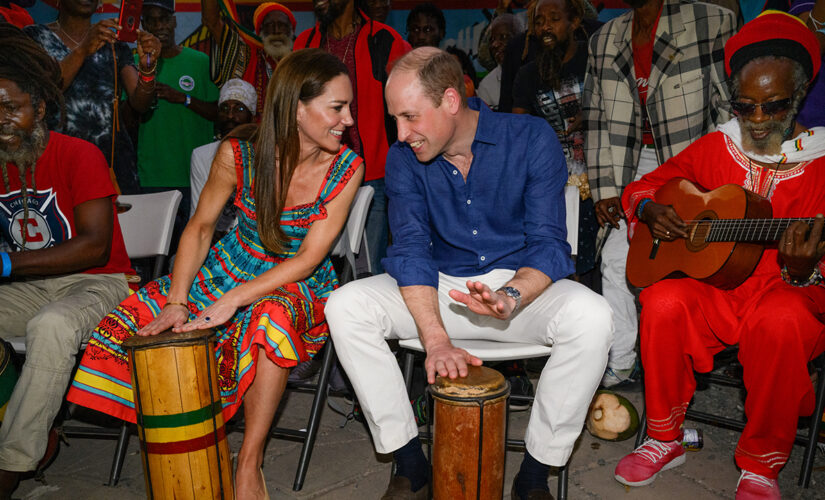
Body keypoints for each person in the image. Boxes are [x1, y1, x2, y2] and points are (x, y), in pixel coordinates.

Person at [65, 48, 364, 500]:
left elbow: (306, 259)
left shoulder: (346, 167)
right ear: (296, 108)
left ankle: (249, 462)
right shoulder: (237, 154)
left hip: (297, 282)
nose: (348, 120)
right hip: (229, 264)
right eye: (337, 107)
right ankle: (193, 444)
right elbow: (201, 227)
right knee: (136, 316)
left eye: (349, 108)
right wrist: (177, 301)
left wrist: (236, 298)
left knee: (270, 318)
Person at [325, 47, 612, 500]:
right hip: (438, 290)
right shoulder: (405, 158)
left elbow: (550, 245)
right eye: (394, 119)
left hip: (521, 294)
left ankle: (535, 476)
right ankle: (410, 465)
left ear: (451, 102)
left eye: (410, 117)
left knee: (594, 316)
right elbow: (412, 249)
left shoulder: (530, 138)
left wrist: (511, 297)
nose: (401, 134)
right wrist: (436, 339)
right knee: (346, 305)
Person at [613, 12, 825, 499]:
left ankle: (760, 465)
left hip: (786, 292)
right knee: (663, 299)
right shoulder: (717, 146)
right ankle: (665, 438)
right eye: (744, 105)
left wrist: (801, 270)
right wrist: (649, 209)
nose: (755, 120)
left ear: (798, 98)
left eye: (771, 107)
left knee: (781, 321)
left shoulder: (818, 165)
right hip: (716, 290)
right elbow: (645, 186)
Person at [0, 25, 133, 497]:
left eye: (10, 108)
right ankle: (24, 408)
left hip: (101, 281)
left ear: (38, 107)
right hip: (33, 283)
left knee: (52, 327)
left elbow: (95, 245)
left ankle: (12, 464)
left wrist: (8, 264)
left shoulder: (79, 153)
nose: (1, 122)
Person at [583, 0, 736, 388]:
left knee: (685, 260)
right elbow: (597, 118)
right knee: (618, 261)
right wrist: (605, 189)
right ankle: (620, 361)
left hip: (693, 162)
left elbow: (729, 109)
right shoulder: (603, 39)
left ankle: (679, 355)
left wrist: (716, 187)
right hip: (627, 164)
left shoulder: (711, 21)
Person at [295, 0, 409, 276]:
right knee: (313, 264)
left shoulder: (383, 39)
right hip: (317, 174)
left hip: (372, 173)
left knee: (368, 267)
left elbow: (408, 99)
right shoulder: (305, 42)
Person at [24, 0, 161, 195]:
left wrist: (148, 68)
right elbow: (47, 90)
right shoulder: (34, 37)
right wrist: (83, 50)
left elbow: (140, 103)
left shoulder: (113, 42)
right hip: (55, 159)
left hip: (109, 161)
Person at [513, 0, 597, 283]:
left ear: (574, 22)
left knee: (599, 265)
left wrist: (593, 115)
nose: (545, 27)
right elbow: (517, 132)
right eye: (539, 22)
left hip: (601, 179)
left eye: (554, 19)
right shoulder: (527, 75)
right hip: (553, 185)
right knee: (562, 263)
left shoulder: (594, 60)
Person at [138, 0, 218, 251]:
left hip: (195, 177)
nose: (158, 25)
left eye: (164, 18)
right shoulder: (134, 62)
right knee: (153, 257)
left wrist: (182, 98)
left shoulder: (200, 61)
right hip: (151, 178)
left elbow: (220, 113)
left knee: (195, 254)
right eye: (151, 20)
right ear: (143, 25)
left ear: (174, 21)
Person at [201, 0, 295, 117]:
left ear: (292, 30)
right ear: (260, 30)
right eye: (270, 25)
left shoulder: (300, 62)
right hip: (246, 132)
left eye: (282, 25)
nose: (276, 31)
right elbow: (211, 21)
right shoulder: (244, 50)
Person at [190, 78, 257, 235]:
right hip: (212, 239)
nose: (230, 116)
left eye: (239, 109)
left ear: (252, 117)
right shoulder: (202, 155)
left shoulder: (266, 154)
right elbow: (197, 216)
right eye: (224, 108)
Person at [477, 13, 522, 110]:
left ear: (520, 38)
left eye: (504, 37)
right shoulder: (487, 86)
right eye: (492, 40)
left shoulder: (535, 73)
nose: (495, 45)